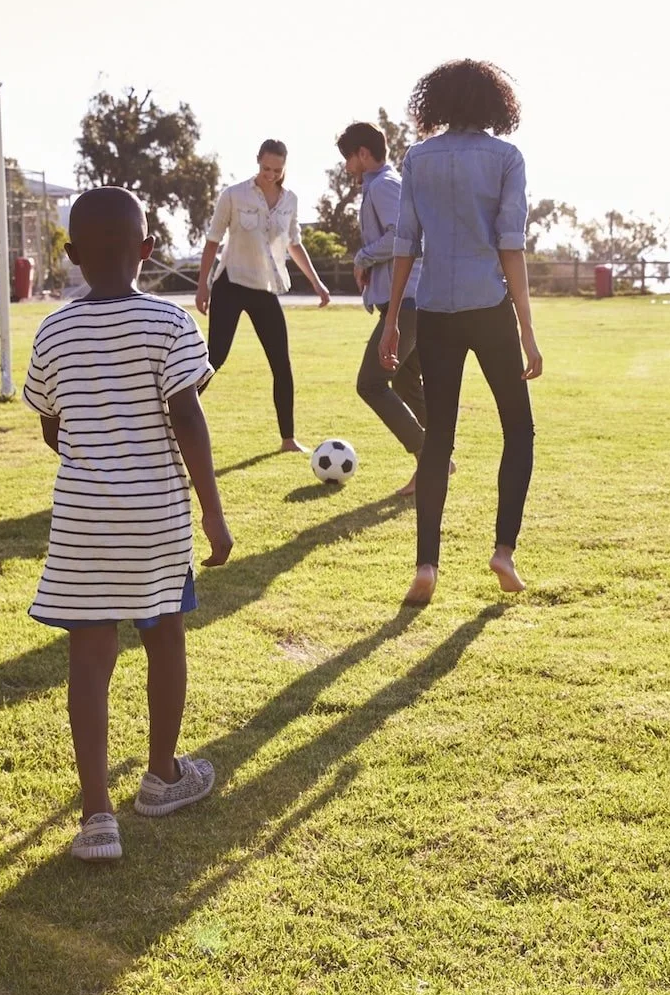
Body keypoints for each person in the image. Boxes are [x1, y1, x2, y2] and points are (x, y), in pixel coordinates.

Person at [25, 186, 234, 862]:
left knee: (88, 659)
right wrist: (213, 511)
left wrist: (97, 457)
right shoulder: (169, 323)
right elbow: (188, 418)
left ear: (73, 255)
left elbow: (52, 426)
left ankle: (96, 819)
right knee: (165, 636)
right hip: (158, 519)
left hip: (84, 520)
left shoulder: (53, 329)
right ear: (147, 251)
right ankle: (163, 775)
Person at [379, 60, 543, 605]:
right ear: (496, 104)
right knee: (518, 430)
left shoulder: (416, 158)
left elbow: (406, 243)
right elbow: (510, 245)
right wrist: (527, 328)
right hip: (488, 305)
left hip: (434, 310)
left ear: (439, 103)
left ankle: (426, 565)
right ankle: (503, 550)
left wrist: (389, 325)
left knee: (438, 439)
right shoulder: (506, 158)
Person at [196, 139, 333, 453]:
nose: (270, 174)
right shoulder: (233, 195)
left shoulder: (290, 201)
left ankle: (288, 440)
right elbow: (212, 242)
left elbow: (293, 244)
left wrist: (317, 283)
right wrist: (203, 285)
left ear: (284, 167)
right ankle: (174, 416)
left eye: (277, 169)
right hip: (230, 283)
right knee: (214, 358)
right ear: (258, 161)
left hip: (265, 288)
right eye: (265, 168)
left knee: (281, 364)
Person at [341, 121, 428, 496]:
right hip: (405, 301)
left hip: (407, 302)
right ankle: (437, 460)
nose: (346, 166)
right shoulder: (379, 186)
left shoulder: (384, 186)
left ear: (363, 154)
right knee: (407, 382)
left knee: (371, 383)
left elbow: (404, 237)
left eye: (348, 157)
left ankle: (430, 456)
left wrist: (362, 256)